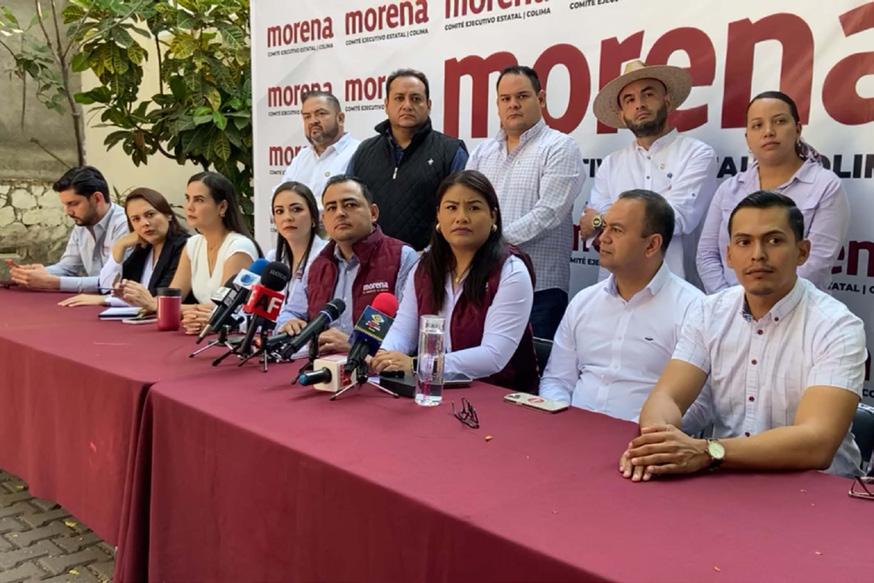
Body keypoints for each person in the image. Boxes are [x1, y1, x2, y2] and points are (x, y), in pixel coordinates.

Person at [620, 191, 866, 482]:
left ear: (802, 252)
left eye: (774, 241)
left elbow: (817, 443)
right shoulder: (710, 312)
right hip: (727, 480)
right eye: (744, 242)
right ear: (729, 255)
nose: (757, 254)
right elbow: (667, 396)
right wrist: (657, 444)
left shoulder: (837, 326)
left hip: (818, 489)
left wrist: (707, 452)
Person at [539, 190, 702, 420]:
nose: (602, 239)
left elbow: (697, 403)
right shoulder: (584, 301)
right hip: (570, 429)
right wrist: (561, 421)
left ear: (652, 245)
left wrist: (644, 433)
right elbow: (557, 380)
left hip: (644, 437)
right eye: (604, 227)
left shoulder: (692, 309)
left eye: (616, 230)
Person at [372, 170, 538, 392]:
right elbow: (403, 331)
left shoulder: (511, 271)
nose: (461, 217)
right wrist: (385, 355)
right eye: (451, 208)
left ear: (493, 216)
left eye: (474, 208)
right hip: (434, 390)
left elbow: (493, 355)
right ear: (438, 216)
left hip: (499, 396)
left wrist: (417, 364)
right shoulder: (424, 268)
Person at [466, 66, 584, 339]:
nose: (513, 104)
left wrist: (487, 243)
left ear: (540, 99)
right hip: (484, 285)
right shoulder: (482, 153)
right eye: (505, 99)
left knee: (532, 366)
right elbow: (465, 206)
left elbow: (548, 214)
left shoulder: (559, 147)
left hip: (539, 290)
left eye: (522, 96)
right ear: (497, 104)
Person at [579, 60, 717, 285]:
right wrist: (600, 222)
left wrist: (600, 220)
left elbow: (677, 218)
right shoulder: (611, 164)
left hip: (674, 289)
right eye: (629, 99)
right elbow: (592, 228)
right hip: (614, 288)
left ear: (667, 101)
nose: (639, 104)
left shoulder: (697, 154)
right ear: (622, 114)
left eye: (648, 94)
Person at [696, 91, 849, 293]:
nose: (768, 131)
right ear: (747, 138)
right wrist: (730, 302)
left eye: (779, 121)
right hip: (729, 306)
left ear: (797, 129)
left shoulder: (825, 186)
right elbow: (707, 255)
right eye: (757, 125)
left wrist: (761, 303)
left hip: (797, 306)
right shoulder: (729, 189)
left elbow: (817, 263)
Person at [276, 175, 418, 354]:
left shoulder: (402, 257)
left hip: (374, 367)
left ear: (373, 213)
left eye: (350, 205)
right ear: (324, 220)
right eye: (331, 208)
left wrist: (354, 346)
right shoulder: (317, 263)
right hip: (319, 365)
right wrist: (289, 323)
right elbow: (290, 313)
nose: (340, 213)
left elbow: (408, 334)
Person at [123, 172, 261, 334]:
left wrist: (156, 304)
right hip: (202, 328)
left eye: (199, 200)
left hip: (233, 334)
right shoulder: (193, 244)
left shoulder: (239, 247)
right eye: (188, 198)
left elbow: (226, 307)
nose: (189, 207)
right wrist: (145, 300)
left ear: (222, 207)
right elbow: (173, 298)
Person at [347, 68, 468, 250]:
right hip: (370, 260)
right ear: (386, 105)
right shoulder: (364, 151)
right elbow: (349, 205)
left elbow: (461, 212)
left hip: (430, 260)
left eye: (416, 99)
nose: (407, 105)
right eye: (399, 98)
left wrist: (432, 255)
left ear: (428, 105)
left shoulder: (451, 152)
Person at [58, 188, 189, 307]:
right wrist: (119, 246)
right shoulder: (145, 248)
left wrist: (104, 300)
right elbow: (108, 288)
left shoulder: (183, 246)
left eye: (150, 214)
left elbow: (160, 300)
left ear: (168, 215)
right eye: (136, 219)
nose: (145, 223)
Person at [6, 166, 127, 292]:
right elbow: (68, 268)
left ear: (97, 199)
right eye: (65, 205)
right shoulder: (82, 224)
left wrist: (53, 282)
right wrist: (33, 274)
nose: (68, 212)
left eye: (73, 204)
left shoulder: (124, 224)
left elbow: (114, 282)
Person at [276, 91, 360, 208]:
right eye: (307, 117)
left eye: (321, 114)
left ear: (340, 118)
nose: (313, 121)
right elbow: (278, 198)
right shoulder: (302, 157)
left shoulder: (358, 152)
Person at [267, 181, 327, 306]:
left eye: (296, 209)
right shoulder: (272, 259)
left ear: (313, 217)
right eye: (279, 211)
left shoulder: (327, 256)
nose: (288, 217)